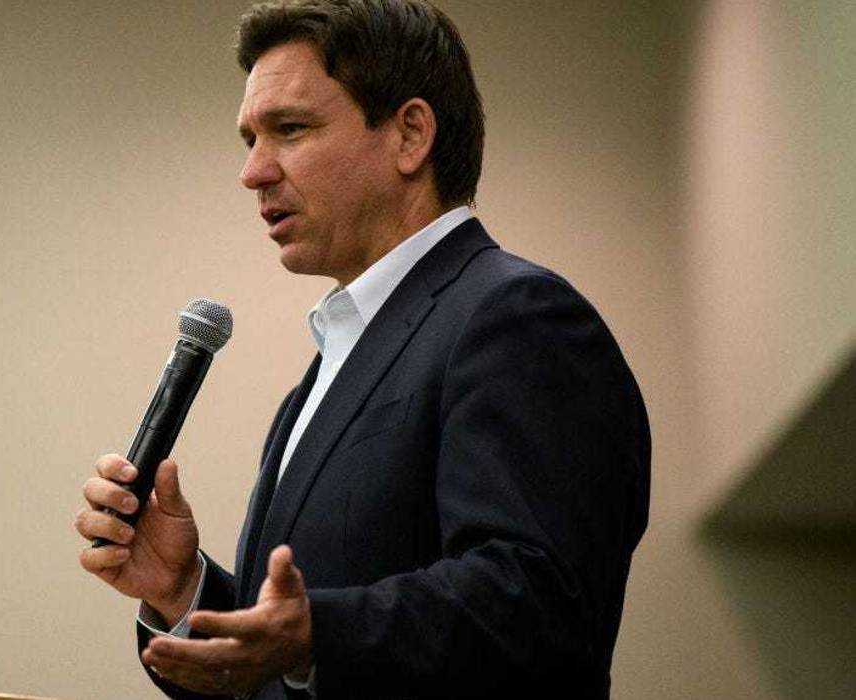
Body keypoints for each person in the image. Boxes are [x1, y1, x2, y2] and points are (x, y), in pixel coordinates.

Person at [75, 1, 650, 698]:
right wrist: (182, 587)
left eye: (289, 129)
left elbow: (539, 605)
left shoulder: (516, 317)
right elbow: (291, 662)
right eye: (248, 140)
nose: (252, 172)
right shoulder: (324, 373)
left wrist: (319, 633)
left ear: (410, 135)